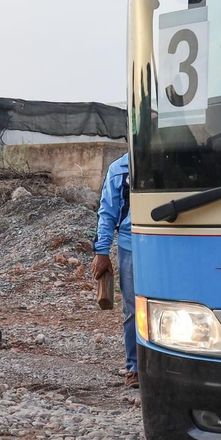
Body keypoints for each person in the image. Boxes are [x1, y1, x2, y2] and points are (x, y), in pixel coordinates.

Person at [91, 153, 137, 389]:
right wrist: (101, 251)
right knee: (132, 308)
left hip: (169, 243)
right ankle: (135, 368)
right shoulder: (119, 168)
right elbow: (107, 211)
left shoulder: (177, 160)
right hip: (131, 244)